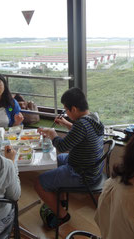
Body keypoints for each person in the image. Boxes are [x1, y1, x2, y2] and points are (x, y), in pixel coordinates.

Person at [34, 87, 104, 228]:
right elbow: (81, 133)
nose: (65, 113)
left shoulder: (81, 125)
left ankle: (62, 215)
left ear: (73, 109)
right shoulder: (93, 118)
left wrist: (52, 133)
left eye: (66, 110)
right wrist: (67, 124)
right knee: (57, 160)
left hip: (82, 174)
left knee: (39, 183)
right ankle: (62, 200)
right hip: (93, 169)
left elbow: (62, 146)